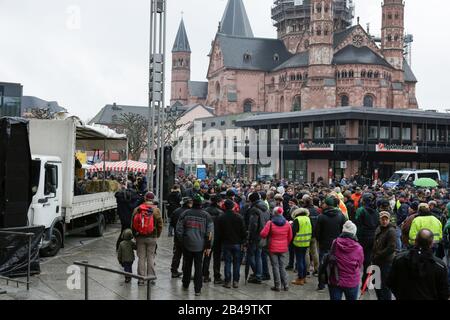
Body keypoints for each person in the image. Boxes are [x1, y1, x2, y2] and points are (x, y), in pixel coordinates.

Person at [387, 229, 449, 300]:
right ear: (431, 243)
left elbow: (391, 282)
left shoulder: (399, 259)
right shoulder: (439, 266)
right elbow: (444, 293)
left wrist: (400, 295)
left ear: (415, 241)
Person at [176, 194, 214, 296]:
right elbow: (210, 233)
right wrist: (208, 246)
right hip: (200, 246)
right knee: (198, 266)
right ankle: (197, 289)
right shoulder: (206, 216)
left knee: (187, 264)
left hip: (187, 243)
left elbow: (179, 229)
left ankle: (185, 283)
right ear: (201, 204)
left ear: (192, 203)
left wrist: (183, 240)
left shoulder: (185, 213)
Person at [131, 192, 163, 285]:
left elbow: (132, 223)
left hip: (140, 237)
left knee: (141, 258)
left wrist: (135, 235)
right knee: (151, 257)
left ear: (145, 198)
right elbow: (160, 224)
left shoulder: (137, 209)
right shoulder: (156, 210)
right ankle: (151, 278)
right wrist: (158, 235)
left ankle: (141, 279)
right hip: (152, 237)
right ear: (153, 199)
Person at [327, 221, 364, 301]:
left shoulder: (335, 243)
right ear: (354, 233)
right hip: (352, 281)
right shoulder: (358, 248)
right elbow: (360, 264)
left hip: (335, 279)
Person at [316, 196, 347, 290]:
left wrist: (320, 240)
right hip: (337, 244)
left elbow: (317, 232)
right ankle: (335, 282)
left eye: (324, 203)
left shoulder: (321, 216)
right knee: (337, 264)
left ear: (327, 205)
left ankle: (321, 284)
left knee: (322, 264)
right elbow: (344, 230)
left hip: (324, 244)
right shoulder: (341, 215)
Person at [260, 207, 293, 292]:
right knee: (282, 266)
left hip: (272, 247)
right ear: (282, 213)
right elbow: (290, 236)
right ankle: (286, 285)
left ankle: (277, 285)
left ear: (274, 213)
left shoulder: (270, 223)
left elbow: (263, 234)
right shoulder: (287, 223)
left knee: (275, 267)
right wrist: (285, 243)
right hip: (283, 248)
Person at [216, 199, 247, 289]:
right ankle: (236, 281)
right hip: (237, 243)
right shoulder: (239, 217)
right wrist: (243, 242)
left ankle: (228, 281)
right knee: (237, 263)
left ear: (224, 206)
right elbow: (243, 231)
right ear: (233, 206)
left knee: (227, 262)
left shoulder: (221, 217)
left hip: (226, 243)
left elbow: (219, 232)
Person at [355, 193, 380, 285]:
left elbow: (357, 223)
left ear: (364, 200)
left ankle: (355, 281)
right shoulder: (376, 211)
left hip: (362, 238)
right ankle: (366, 282)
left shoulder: (360, 210)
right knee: (368, 260)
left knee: (358, 259)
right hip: (372, 237)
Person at [371, 211, 397, 300]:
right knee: (376, 283)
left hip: (386, 262)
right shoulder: (379, 229)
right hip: (377, 261)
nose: (384, 221)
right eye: (383, 219)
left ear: (389, 220)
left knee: (384, 285)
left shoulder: (391, 231)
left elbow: (391, 248)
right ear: (379, 220)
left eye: (386, 219)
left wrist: (378, 254)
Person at [246, 192, 270, 284]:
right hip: (264, 234)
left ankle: (257, 274)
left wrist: (249, 236)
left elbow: (253, 224)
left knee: (251, 255)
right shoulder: (265, 208)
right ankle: (259, 274)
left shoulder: (254, 209)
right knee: (259, 255)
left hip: (256, 235)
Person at [203, 194, 225, 284]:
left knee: (207, 256)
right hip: (218, 238)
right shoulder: (221, 213)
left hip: (208, 237)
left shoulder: (205, 211)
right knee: (217, 258)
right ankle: (217, 276)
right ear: (218, 202)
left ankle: (205, 275)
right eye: (221, 202)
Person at [170, 197, 192, 278]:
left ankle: (174, 270)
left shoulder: (176, 211)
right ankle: (185, 271)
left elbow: (171, 223)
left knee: (176, 254)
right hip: (187, 237)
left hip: (177, 237)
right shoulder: (190, 212)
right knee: (186, 255)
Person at [115, 183, 141, 250]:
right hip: (130, 218)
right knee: (134, 233)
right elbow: (133, 207)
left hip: (123, 218)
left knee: (123, 232)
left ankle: (119, 247)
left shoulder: (121, 198)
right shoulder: (133, 198)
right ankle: (136, 247)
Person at [291, 208, 312, 286]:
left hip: (298, 242)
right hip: (306, 242)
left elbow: (293, 231)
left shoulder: (297, 220)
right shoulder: (308, 218)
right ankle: (304, 277)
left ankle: (300, 278)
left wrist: (290, 241)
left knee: (299, 260)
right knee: (303, 259)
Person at [304, 195, 320, 277]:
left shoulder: (305, 211)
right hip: (315, 234)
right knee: (315, 252)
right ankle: (317, 269)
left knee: (306, 252)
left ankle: (307, 271)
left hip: (306, 234)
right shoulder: (317, 210)